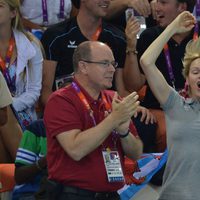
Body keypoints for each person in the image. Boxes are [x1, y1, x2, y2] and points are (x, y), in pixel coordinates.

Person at [44, 41, 143, 200]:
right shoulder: (61, 100)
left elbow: (137, 152)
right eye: (105, 63)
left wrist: (124, 132)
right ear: (83, 67)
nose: (112, 69)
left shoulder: (113, 99)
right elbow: (76, 150)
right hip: (73, 194)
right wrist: (113, 119)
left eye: (113, 63)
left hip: (111, 194)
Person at [140, 11, 200, 199]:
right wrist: (172, 28)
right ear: (187, 79)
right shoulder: (176, 105)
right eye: (196, 71)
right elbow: (146, 61)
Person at [124, 0, 197, 151]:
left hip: (196, 107)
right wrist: (131, 47)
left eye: (163, 2)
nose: (156, 8)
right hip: (160, 107)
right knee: (153, 128)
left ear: (182, 7)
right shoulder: (149, 36)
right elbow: (133, 85)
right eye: (156, 2)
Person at [0, 0, 43, 130]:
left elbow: (34, 91)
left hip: (21, 113)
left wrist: (8, 107)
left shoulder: (31, 44)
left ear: (13, 13)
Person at [13, 119, 47, 200]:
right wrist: (44, 161)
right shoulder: (37, 128)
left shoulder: (81, 133)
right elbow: (19, 177)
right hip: (32, 192)